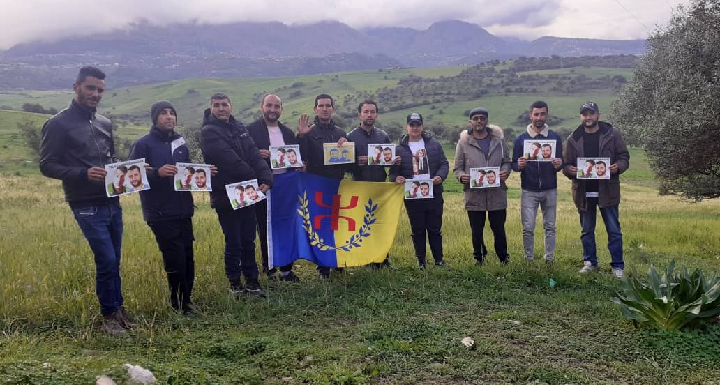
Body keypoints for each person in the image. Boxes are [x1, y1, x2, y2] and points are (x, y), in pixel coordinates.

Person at [39, 66, 133, 335]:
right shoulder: (58, 124)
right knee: (105, 258)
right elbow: (47, 165)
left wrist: (132, 172)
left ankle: (118, 309)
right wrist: (83, 173)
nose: (95, 94)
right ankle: (109, 318)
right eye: (90, 88)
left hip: (112, 200)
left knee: (114, 259)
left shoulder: (104, 122)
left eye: (100, 90)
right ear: (76, 87)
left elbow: (110, 160)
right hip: (85, 203)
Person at [129, 100, 213, 315]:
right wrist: (156, 172)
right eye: (164, 113)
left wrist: (203, 172)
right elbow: (131, 177)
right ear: (155, 118)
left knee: (187, 257)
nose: (169, 117)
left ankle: (187, 300)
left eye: (172, 113)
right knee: (174, 258)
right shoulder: (143, 144)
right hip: (160, 212)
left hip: (183, 209)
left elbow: (187, 171)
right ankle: (179, 305)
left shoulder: (180, 143)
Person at [201, 93, 272, 296]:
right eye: (217, 105)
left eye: (224, 105)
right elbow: (229, 160)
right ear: (211, 108)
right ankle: (234, 283)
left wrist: (266, 177)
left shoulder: (240, 128)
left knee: (249, 238)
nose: (221, 108)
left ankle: (252, 280)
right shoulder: (209, 131)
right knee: (234, 240)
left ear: (231, 107)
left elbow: (253, 154)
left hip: (247, 192)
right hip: (225, 195)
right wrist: (256, 179)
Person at [563, 101, 630, 278]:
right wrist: (569, 170)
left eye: (591, 113)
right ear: (581, 117)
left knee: (614, 230)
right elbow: (566, 164)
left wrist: (618, 167)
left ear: (598, 115)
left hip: (608, 190)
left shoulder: (612, 134)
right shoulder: (573, 138)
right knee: (586, 230)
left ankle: (617, 266)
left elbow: (624, 157)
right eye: (585, 114)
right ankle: (590, 262)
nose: (588, 117)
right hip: (584, 192)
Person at [246, 93, 301, 282]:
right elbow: (242, 155)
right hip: (262, 186)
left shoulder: (287, 132)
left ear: (281, 109)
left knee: (286, 226)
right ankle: (269, 269)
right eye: (269, 106)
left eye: (276, 107)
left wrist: (298, 164)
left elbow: (294, 158)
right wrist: (255, 154)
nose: (272, 110)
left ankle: (287, 270)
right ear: (262, 107)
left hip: (285, 186)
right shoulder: (250, 130)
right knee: (264, 228)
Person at [297, 93, 349, 279]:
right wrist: (301, 137)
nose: (325, 108)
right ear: (315, 109)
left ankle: (337, 261)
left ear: (333, 109)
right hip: (316, 186)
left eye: (328, 105)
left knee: (336, 225)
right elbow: (301, 156)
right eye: (321, 106)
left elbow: (348, 163)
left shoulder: (342, 133)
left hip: (337, 186)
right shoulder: (309, 133)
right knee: (320, 226)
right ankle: (323, 267)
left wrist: (348, 148)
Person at [390, 113, 449, 269]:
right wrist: (397, 178)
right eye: (412, 124)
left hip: (434, 193)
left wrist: (440, 176)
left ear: (422, 126)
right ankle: (421, 261)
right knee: (417, 229)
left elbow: (444, 164)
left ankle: (439, 260)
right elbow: (393, 173)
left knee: (435, 229)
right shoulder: (399, 148)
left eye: (417, 124)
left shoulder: (434, 144)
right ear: (407, 127)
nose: (415, 128)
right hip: (412, 195)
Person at [454, 107, 512, 266]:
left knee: (498, 227)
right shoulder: (463, 143)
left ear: (487, 121)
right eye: (476, 118)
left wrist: (505, 171)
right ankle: (479, 257)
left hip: (497, 192)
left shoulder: (499, 141)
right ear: (470, 122)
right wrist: (461, 177)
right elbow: (457, 167)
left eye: (482, 118)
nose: (479, 121)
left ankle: (503, 257)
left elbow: (507, 161)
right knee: (476, 229)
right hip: (473, 194)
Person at [347, 99, 399, 269]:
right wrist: (356, 162)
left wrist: (394, 162)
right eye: (366, 112)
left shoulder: (383, 136)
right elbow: (345, 166)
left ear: (376, 114)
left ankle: (384, 259)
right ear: (359, 114)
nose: (369, 115)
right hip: (360, 187)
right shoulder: (350, 137)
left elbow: (388, 162)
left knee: (382, 224)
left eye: (372, 112)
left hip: (380, 187)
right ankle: (367, 260)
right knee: (364, 225)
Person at [512, 101, 564, 265]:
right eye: (536, 114)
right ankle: (529, 259)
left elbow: (560, 163)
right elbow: (514, 164)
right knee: (528, 228)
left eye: (542, 114)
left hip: (550, 189)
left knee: (550, 226)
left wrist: (559, 165)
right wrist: (518, 166)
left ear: (547, 115)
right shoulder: (521, 139)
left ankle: (549, 259)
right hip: (529, 189)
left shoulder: (555, 138)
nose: (539, 117)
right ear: (530, 116)